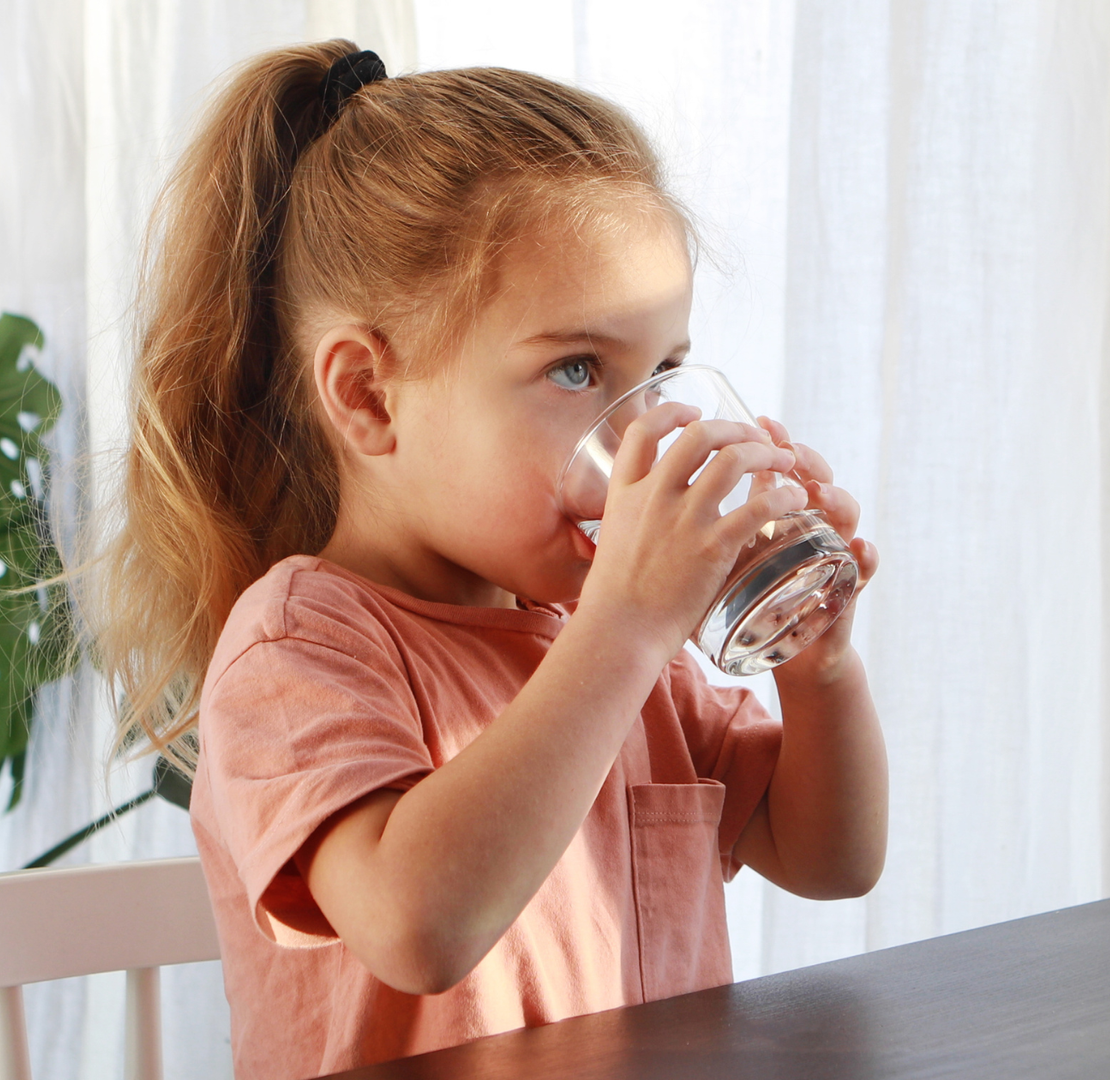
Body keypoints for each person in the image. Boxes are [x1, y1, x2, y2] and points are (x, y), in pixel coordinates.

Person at [86, 40, 888, 1080]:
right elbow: (420, 926)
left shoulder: (607, 635)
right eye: (576, 368)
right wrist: (627, 629)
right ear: (371, 397)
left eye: (667, 374)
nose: (646, 435)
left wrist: (820, 673)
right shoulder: (301, 647)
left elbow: (830, 858)